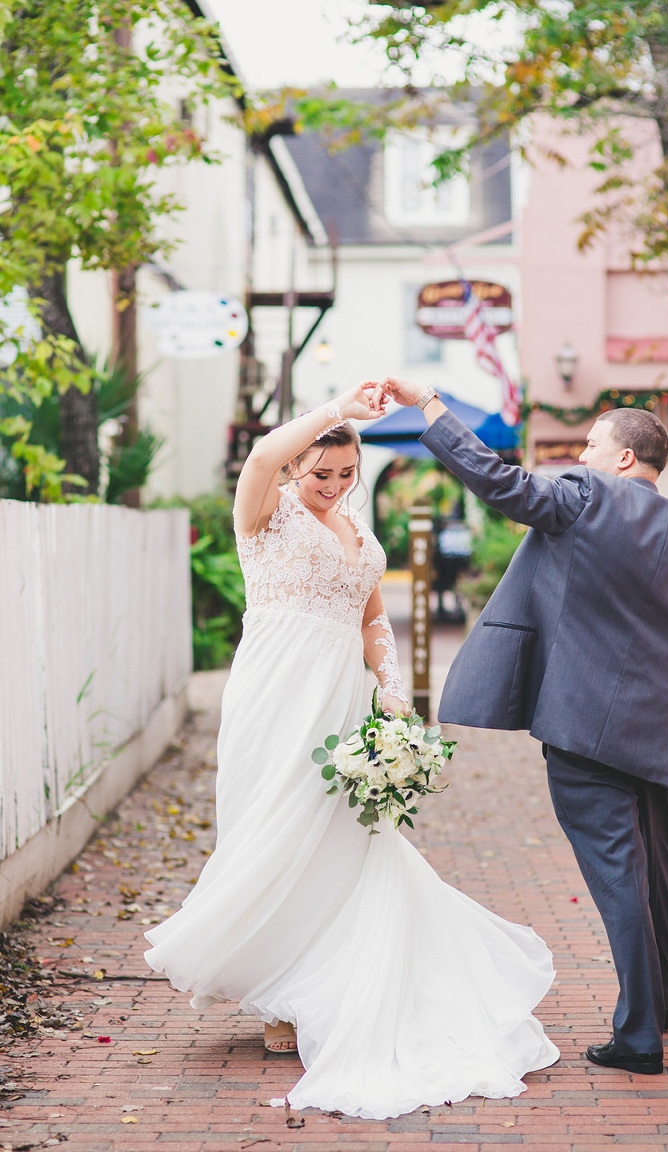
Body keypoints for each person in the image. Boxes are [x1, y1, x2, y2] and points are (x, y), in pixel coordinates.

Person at [145, 383, 559, 1120]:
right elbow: (262, 454)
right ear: (295, 467)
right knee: (275, 828)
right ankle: (277, 998)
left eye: (345, 474)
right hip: (276, 691)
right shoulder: (264, 511)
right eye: (320, 474)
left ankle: (325, 981)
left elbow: (372, 621)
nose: (334, 485)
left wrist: (393, 691)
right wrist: (339, 408)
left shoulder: (358, 531)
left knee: (342, 835)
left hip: (341, 698)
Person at [377, 376, 668, 1076]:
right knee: (659, 873)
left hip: (585, 730)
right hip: (667, 740)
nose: (580, 456)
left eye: (590, 445)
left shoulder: (585, 497)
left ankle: (638, 1037)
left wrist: (431, 408)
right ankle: (660, 1004)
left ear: (623, 458)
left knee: (620, 877)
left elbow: (500, 484)